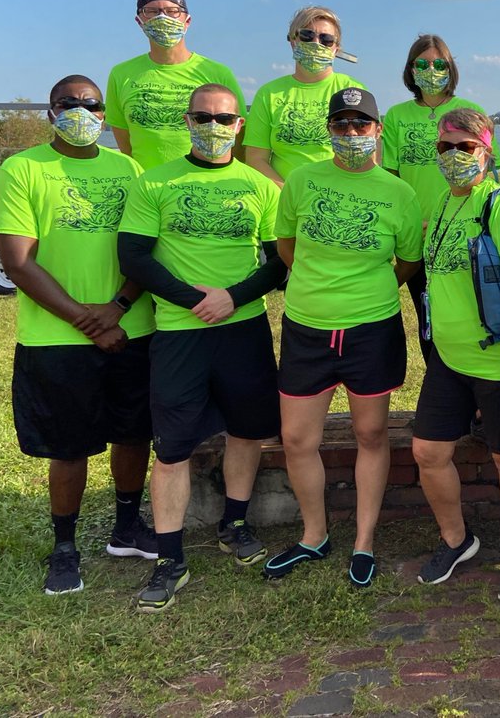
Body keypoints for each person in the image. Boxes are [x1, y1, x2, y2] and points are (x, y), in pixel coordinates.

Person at [0, 75, 158, 595]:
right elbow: (18, 261)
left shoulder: (129, 170)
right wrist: (87, 321)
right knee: (69, 446)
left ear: (104, 115)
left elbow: (144, 250)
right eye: (69, 104)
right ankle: (65, 547)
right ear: (50, 112)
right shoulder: (23, 169)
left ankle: (126, 527)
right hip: (56, 337)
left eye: (91, 105)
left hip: (130, 327)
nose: (81, 112)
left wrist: (119, 307)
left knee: (133, 433)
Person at [118, 83, 284, 612]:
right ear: (187, 122)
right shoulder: (155, 182)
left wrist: (232, 298)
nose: (213, 127)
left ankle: (233, 524)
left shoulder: (261, 186)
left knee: (247, 431)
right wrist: (197, 300)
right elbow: (135, 258)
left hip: (244, 328)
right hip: (180, 331)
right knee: (171, 448)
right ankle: (170, 558)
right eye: (203, 118)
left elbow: (280, 262)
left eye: (224, 119)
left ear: (240, 126)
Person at [262, 88, 422, 587]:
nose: (351, 134)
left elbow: (408, 261)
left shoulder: (400, 193)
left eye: (361, 125)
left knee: (371, 435)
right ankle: (315, 535)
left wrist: (365, 289)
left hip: (370, 329)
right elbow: (285, 243)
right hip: (307, 326)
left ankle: (364, 539)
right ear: (329, 130)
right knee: (296, 438)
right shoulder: (302, 180)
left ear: (377, 130)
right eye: (342, 125)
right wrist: (320, 282)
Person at [412, 108, 500, 602]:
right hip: (448, 359)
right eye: (445, 148)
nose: (453, 157)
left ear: (488, 150)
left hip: (497, 361)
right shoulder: (445, 204)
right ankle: (457, 540)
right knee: (429, 452)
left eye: (464, 147)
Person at [382, 34, 500, 358]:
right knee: (428, 317)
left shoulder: (471, 110)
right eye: (422, 63)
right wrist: (406, 224)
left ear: (451, 68)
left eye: (439, 63)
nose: (430, 69)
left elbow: (488, 174)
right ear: (410, 69)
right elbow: (390, 179)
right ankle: (440, 388)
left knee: (473, 313)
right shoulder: (395, 116)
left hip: (466, 234)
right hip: (417, 236)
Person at [106, 0, 247, 170]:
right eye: (152, 11)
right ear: (139, 20)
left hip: (204, 182)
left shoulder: (218, 73)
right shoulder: (121, 74)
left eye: (172, 11)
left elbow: (238, 137)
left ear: (187, 20)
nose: (162, 17)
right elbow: (125, 144)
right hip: (146, 189)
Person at [245, 6, 366, 186]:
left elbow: (367, 156)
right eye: (307, 35)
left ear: (335, 49)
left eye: (326, 39)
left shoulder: (353, 90)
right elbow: (256, 158)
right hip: (283, 199)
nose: (316, 43)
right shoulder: (268, 94)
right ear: (293, 41)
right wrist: (290, 194)